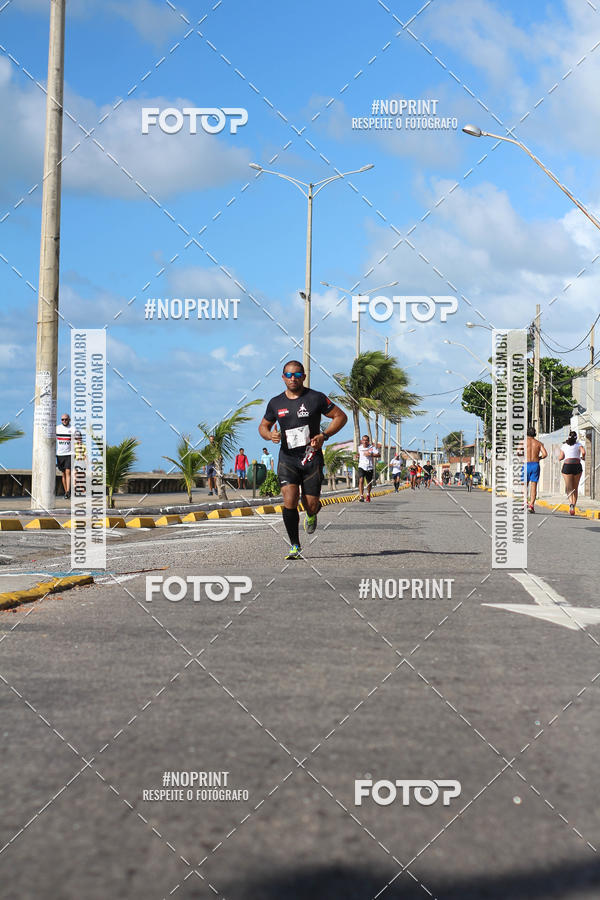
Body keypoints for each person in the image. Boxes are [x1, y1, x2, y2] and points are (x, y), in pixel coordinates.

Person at [258, 361, 347, 559]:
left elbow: (340, 416)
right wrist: (269, 436)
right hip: (287, 459)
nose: (292, 379)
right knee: (289, 500)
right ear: (282, 377)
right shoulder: (275, 402)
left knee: (311, 504)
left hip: (311, 459)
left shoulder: (315, 398)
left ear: (304, 377)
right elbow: (263, 426)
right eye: (288, 375)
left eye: (297, 375)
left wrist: (324, 435)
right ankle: (295, 546)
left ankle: (312, 513)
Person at [559, 430, 585, 516]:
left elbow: (561, 457)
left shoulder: (564, 445)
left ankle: (570, 504)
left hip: (567, 466)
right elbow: (583, 452)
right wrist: (582, 457)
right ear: (576, 437)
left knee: (569, 488)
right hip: (577, 465)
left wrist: (559, 458)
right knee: (575, 487)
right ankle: (574, 505)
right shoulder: (578, 445)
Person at [526, 426, 547, 513]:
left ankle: (524, 502)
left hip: (526, 464)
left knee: (524, 485)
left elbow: (518, 452)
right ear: (535, 433)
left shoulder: (523, 442)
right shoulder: (538, 443)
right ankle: (531, 505)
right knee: (533, 486)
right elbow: (545, 454)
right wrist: (539, 458)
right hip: (535, 465)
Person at [357, 435, 380, 502]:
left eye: (366, 440)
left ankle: (368, 494)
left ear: (368, 441)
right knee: (361, 480)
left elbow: (379, 455)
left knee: (368, 483)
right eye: (363, 440)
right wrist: (357, 455)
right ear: (361, 441)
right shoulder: (359, 447)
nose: (365, 442)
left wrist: (371, 455)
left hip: (369, 467)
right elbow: (359, 454)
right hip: (361, 466)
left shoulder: (372, 448)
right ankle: (361, 496)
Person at [56, 412, 74, 499]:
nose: (64, 421)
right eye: (62, 419)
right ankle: (66, 491)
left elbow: (79, 441)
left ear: (69, 420)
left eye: (66, 419)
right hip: (60, 454)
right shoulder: (57, 428)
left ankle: (68, 491)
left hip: (69, 454)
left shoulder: (73, 429)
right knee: (63, 474)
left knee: (68, 472)